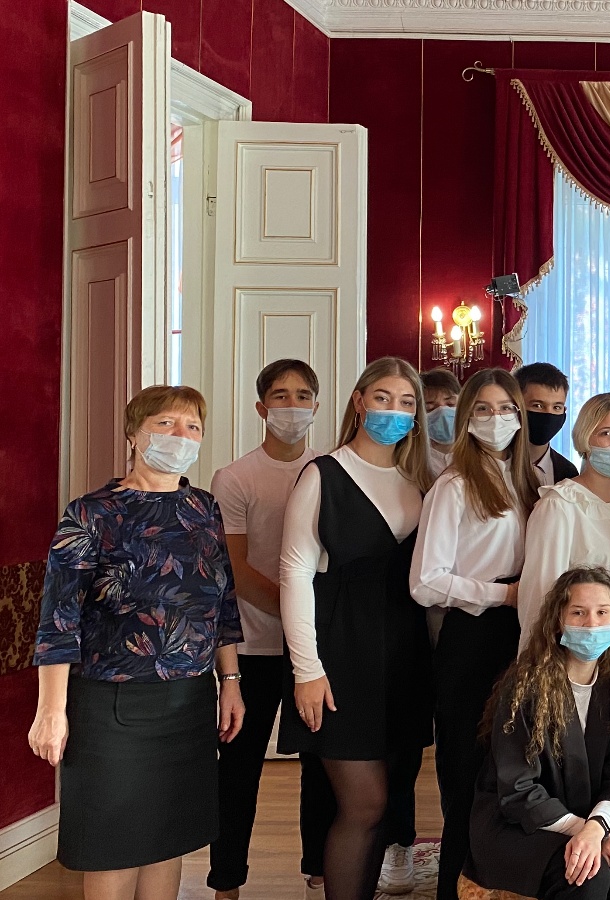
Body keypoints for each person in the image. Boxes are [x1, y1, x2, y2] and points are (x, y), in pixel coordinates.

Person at [28, 385, 244, 900]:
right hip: (112, 706)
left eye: (192, 426)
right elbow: (58, 619)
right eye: (166, 424)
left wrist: (231, 680)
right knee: (114, 842)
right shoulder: (92, 514)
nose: (181, 436)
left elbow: (222, 603)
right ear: (133, 434)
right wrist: (50, 710)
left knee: (168, 835)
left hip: (189, 701)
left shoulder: (203, 508)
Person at [278, 357, 436, 900]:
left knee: (386, 807)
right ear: (359, 401)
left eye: (407, 402)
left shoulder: (423, 479)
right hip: (340, 653)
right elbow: (294, 574)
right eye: (383, 398)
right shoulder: (322, 473)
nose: (394, 410)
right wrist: (306, 669)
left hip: (403, 657)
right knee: (363, 804)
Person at [411, 368, 541, 900]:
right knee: (466, 770)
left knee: (513, 770)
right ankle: (452, 885)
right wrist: (500, 595)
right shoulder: (454, 485)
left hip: (523, 632)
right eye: (483, 409)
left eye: (506, 408)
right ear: (466, 418)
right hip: (474, 633)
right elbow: (425, 581)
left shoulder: (529, 481)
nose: (496, 419)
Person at [207, 360, 333, 900]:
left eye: (303, 395)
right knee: (239, 769)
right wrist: (296, 612)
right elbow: (235, 570)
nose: (292, 405)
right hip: (253, 645)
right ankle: (226, 881)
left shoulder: (330, 471)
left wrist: (308, 630)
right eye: (280, 396)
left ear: (316, 406)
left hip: (314, 651)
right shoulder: (234, 478)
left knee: (320, 768)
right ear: (262, 407)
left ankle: (318, 872)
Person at [460, 566, 610, 900]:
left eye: (602, 612)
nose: (592, 624)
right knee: (587, 876)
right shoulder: (524, 687)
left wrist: (597, 827)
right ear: (558, 622)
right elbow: (519, 791)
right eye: (578, 613)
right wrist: (589, 832)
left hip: (587, 821)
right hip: (517, 826)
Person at [519, 393, 610, 644]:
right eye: (606, 433)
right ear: (585, 438)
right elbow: (539, 596)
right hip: (584, 637)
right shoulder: (560, 504)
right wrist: (536, 655)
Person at [516, 361, 579, 484]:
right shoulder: (494, 463)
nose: (548, 414)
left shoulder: (568, 472)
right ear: (517, 406)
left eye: (557, 407)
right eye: (538, 405)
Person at [424, 367, 463, 478]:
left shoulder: (479, 452)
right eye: (430, 408)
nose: (443, 412)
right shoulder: (414, 459)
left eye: (450, 404)